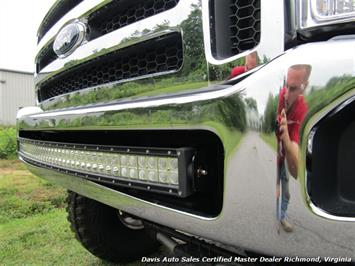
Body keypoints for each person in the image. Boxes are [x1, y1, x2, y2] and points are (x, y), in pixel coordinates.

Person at [276, 64, 311, 232]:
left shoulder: (302, 108)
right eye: (287, 86)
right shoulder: (282, 95)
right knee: (277, 190)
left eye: (294, 89)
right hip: (275, 155)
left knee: (287, 193)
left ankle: (281, 217)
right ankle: (279, 217)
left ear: (305, 86)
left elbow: (297, 170)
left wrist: (287, 141)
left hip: (284, 156)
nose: (287, 94)